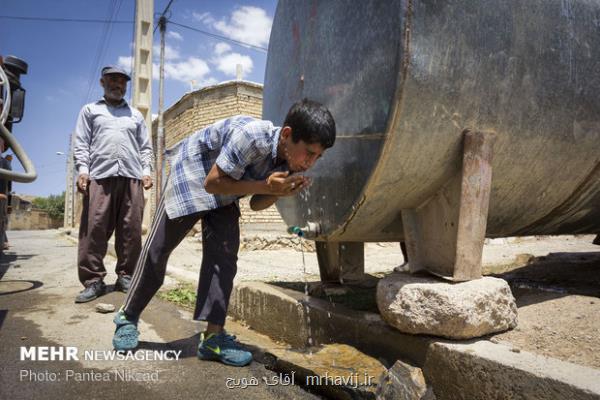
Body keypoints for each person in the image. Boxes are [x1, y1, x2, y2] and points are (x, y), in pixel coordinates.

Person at [112, 98, 336, 367]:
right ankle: (128, 315)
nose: (311, 162)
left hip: (227, 190)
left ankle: (212, 339)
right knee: (159, 249)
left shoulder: (290, 160)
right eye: (309, 153)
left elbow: (256, 203)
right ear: (287, 135)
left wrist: (279, 192)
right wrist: (267, 185)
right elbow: (212, 182)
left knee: (224, 257)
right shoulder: (252, 137)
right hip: (195, 174)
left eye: (318, 157)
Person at [73, 66, 153, 303]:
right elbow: (81, 144)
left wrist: (146, 171)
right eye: (113, 80)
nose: (118, 84)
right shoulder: (90, 111)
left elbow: (145, 148)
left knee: (131, 230)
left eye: (122, 81)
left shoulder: (135, 115)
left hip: (131, 177)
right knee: (94, 228)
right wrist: (83, 171)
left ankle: (126, 276)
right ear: (102, 82)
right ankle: (93, 281)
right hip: (100, 176)